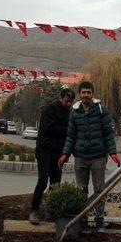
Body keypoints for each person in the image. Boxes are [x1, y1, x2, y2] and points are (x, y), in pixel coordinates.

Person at [60, 81, 120, 228]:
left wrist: (113, 152)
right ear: (80, 94)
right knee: (81, 190)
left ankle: (99, 219)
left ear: (92, 94)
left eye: (88, 92)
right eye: (83, 92)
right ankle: (83, 219)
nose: (86, 95)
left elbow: (108, 133)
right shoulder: (74, 113)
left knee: (99, 189)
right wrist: (65, 154)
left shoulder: (101, 110)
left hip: (98, 156)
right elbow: (71, 136)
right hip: (80, 157)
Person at [29, 88, 76, 225]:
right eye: (67, 101)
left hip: (58, 152)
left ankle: (51, 210)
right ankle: (34, 209)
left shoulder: (70, 113)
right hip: (44, 150)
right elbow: (49, 128)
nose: (69, 104)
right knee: (43, 180)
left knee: (55, 183)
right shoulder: (49, 109)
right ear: (61, 98)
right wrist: (68, 131)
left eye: (71, 102)